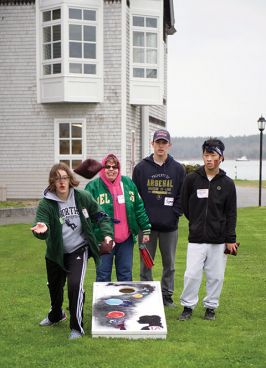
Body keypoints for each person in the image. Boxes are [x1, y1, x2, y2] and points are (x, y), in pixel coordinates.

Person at [31, 163, 113, 340]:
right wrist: (43, 229)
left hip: (78, 249)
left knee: (75, 285)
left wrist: (107, 235)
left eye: (64, 177)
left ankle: (76, 327)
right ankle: (56, 315)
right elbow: (42, 226)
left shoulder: (82, 197)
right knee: (55, 288)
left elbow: (101, 216)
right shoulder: (46, 203)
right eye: (57, 178)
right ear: (52, 181)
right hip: (55, 253)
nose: (61, 182)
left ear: (70, 179)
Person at [178, 138, 238, 321]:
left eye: (213, 155)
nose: (209, 159)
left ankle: (210, 307)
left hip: (219, 239)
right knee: (191, 274)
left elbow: (231, 213)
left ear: (221, 158)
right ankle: (188, 306)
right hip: (196, 237)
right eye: (206, 155)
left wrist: (230, 238)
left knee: (216, 276)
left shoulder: (227, 184)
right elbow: (185, 204)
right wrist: (196, 221)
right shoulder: (191, 179)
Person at [132, 129, 186, 307]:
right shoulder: (141, 168)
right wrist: (141, 221)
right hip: (147, 228)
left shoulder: (178, 169)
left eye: (164, 143)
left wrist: (174, 215)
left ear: (169, 145)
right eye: (158, 142)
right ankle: (146, 293)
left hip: (169, 227)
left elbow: (182, 196)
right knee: (146, 262)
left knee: (169, 263)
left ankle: (166, 295)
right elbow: (135, 196)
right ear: (152, 144)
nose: (161, 146)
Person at [85, 154, 151, 282]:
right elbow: (85, 214)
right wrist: (91, 235)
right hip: (103, 239)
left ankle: (125, 302)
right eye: (107, 166)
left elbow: (138, 207)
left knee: (125, 274)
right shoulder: (93, 187)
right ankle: (103, 302)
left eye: (114, 167)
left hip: (126, 239)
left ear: (118, 169)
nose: (111, 169)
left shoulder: (128, 183)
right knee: (103, 274)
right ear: (102, 168)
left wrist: (146, 228)